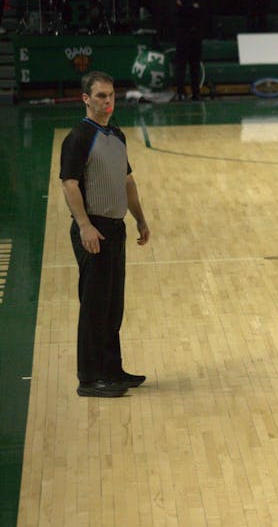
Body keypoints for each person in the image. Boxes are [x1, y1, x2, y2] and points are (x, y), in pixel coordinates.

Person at [60, 72, 151, 398]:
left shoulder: (117, 136)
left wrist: (139, 218)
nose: (107, 101)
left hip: (116, 229)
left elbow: (127, 182)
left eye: (111, 95)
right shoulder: (79, 137)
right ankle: (89, 377)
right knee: (94, 306)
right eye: (100, 96)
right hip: (94, 230)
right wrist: (84, 225)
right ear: (85, 98)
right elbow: (69, 184)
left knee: (113, 306)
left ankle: (112, 369)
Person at [172, 0, 209, 101]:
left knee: (195, 65)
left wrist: (186, 7)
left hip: (195, 34)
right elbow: (177, 12)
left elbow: (201, 10)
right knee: (181, 65)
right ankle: (180, 92)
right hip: (182, 35)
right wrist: (191, 7)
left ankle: (196, 92)